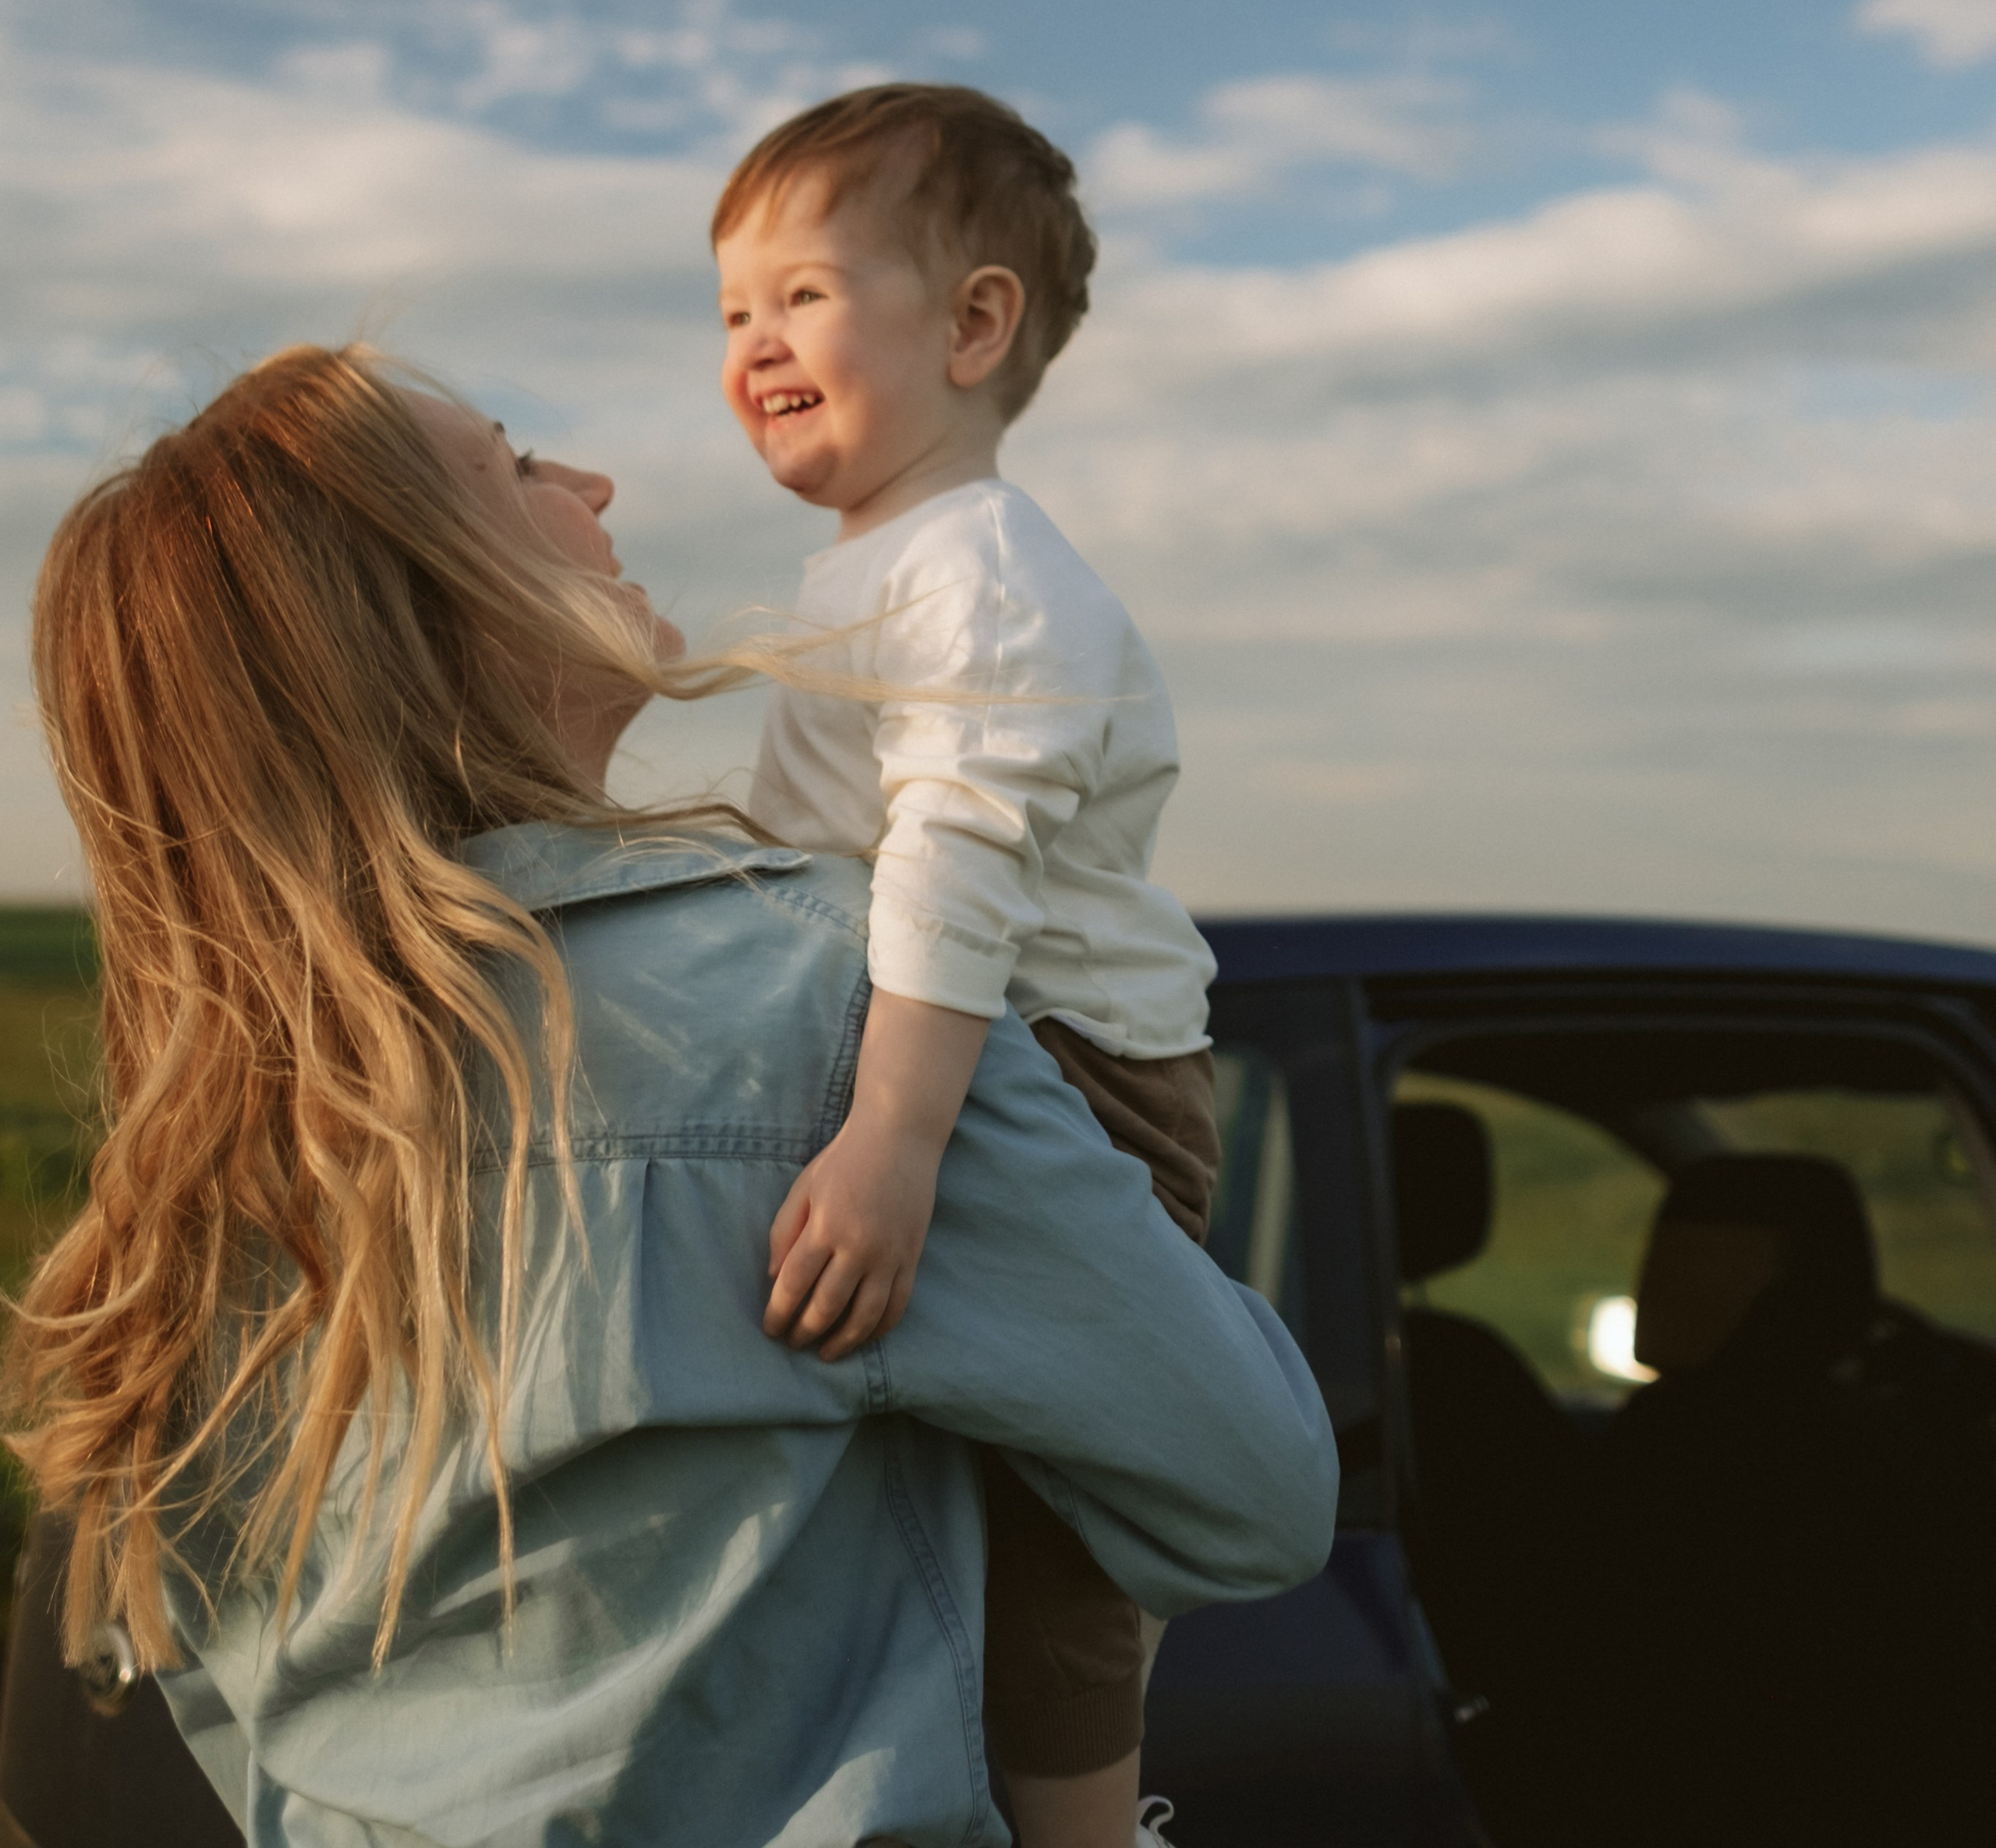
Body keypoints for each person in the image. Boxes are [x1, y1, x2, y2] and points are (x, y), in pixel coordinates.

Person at [5, 342, 1337, 1848]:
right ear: (429, 602)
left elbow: (229, 1728)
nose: (591, 485)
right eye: (512, 466)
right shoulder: (819, 1006)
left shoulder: (181, 1181)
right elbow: (1262, 1488)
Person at [712, 86, 1221, 1848]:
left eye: (799, 293)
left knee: (1062, 1533)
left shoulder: (986, 574)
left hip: (1070, 1076)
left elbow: (948, 864)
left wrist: (894, 1141)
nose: (752, 340)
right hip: (960, 1053)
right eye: (730, 311)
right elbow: (801, 857)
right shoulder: (868, 566)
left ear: (974, 323)